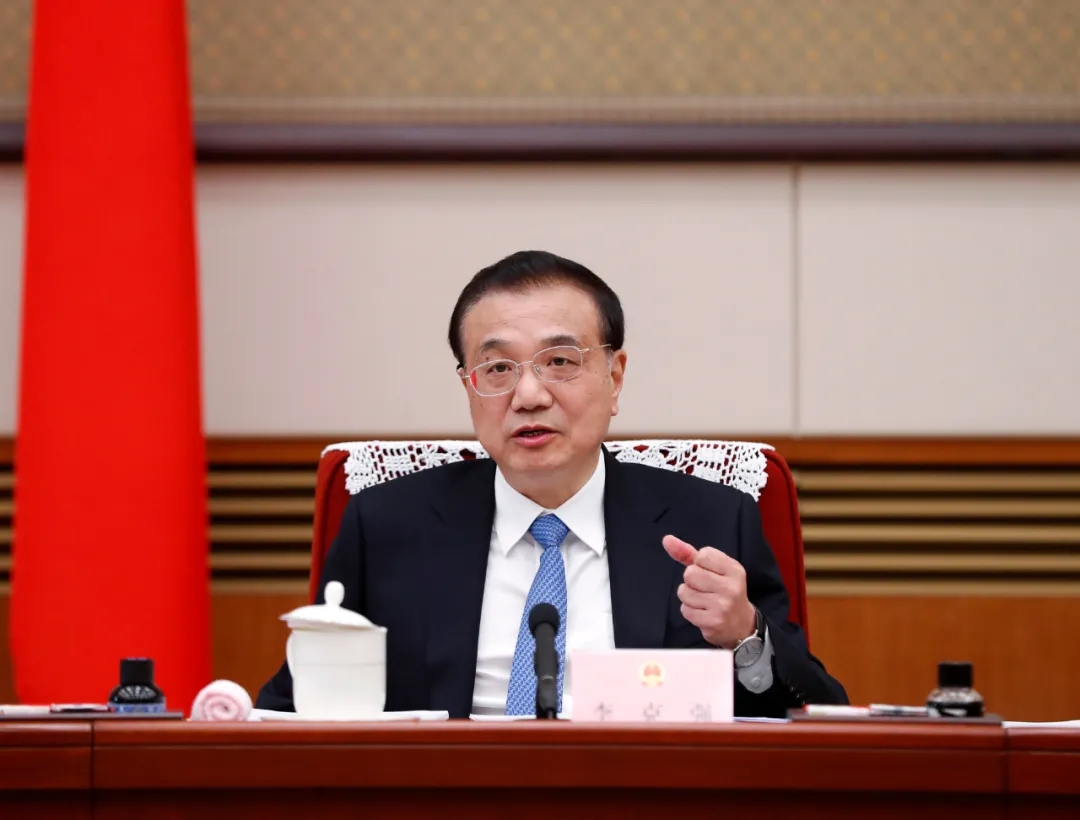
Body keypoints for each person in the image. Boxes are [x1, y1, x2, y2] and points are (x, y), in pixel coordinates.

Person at [257, 250, 847, 718]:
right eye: (497, 368)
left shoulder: (711, 521)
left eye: (560, 362)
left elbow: (817, 712)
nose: (529, 395)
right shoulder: (388, 526)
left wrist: (745, 636)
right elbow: (289, 709)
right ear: (468, 387)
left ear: (615, 377)